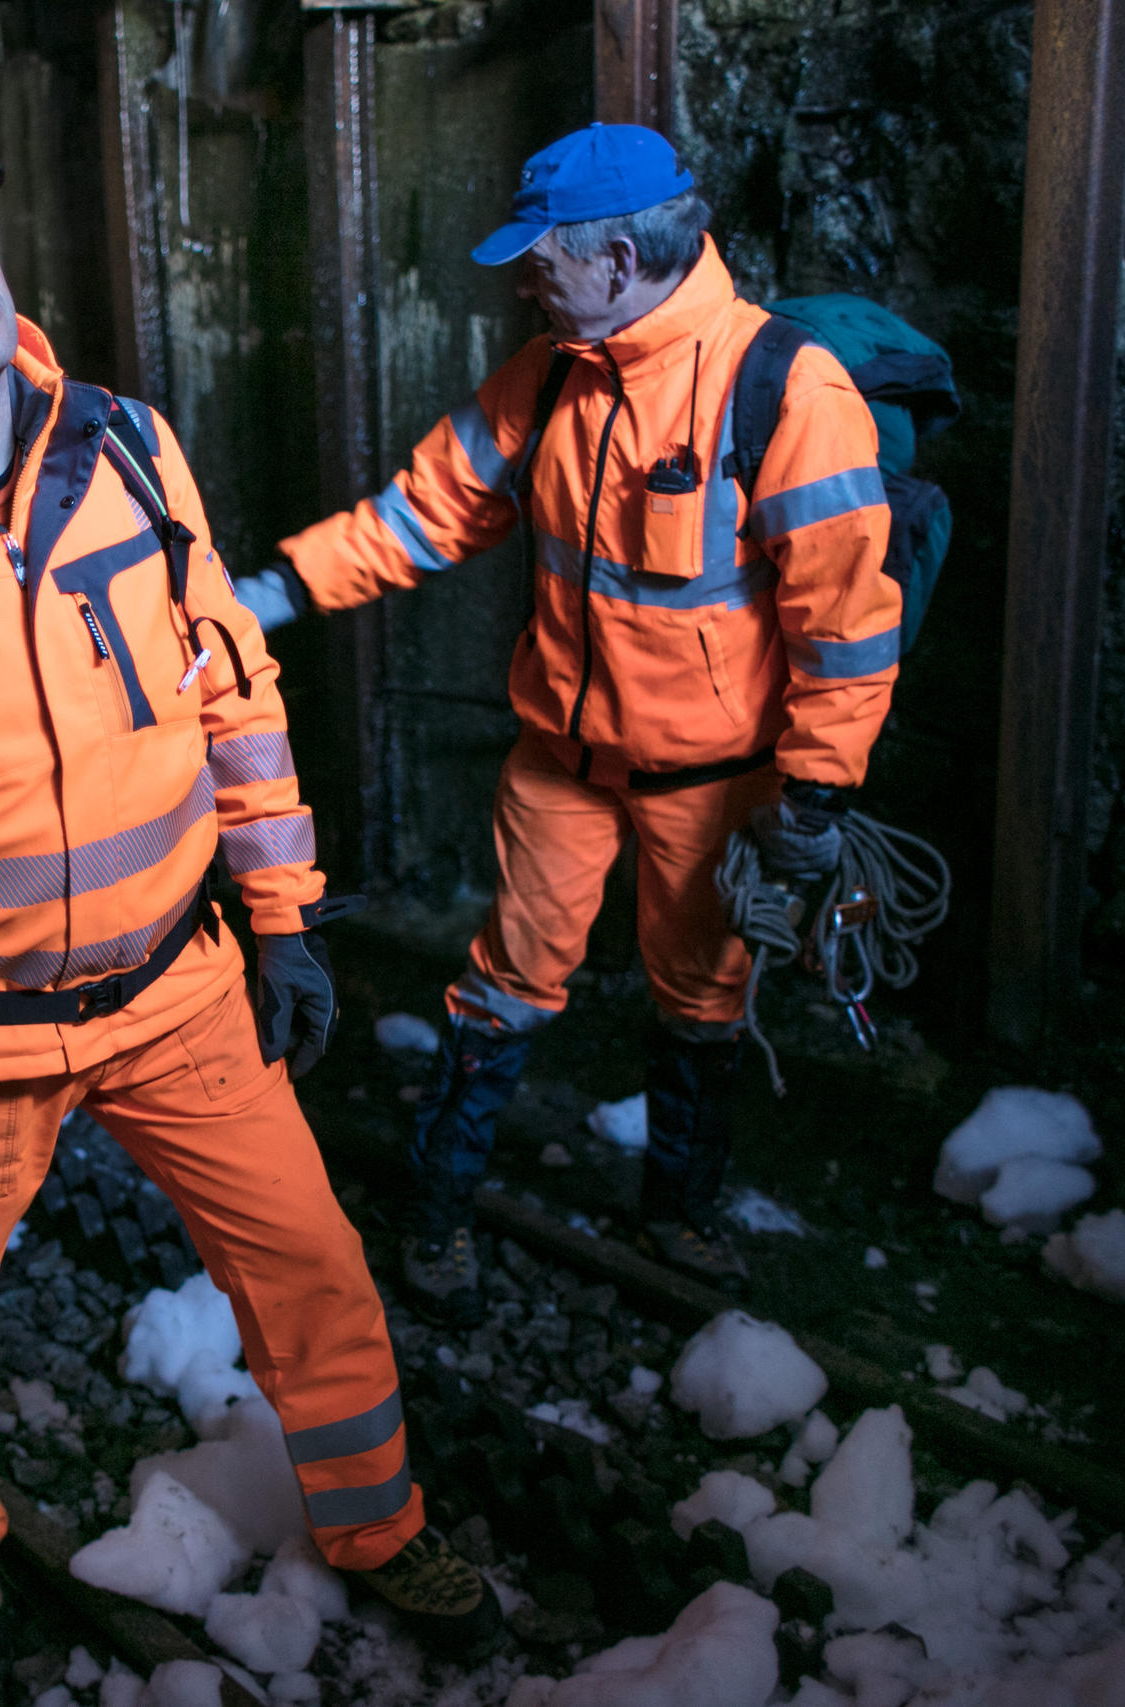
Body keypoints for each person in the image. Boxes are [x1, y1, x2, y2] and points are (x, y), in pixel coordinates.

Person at [0, 138, 503, 1674]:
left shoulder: (120, 444)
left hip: (178, 992)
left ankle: (379, 1521)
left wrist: (284, 914)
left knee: (313, 1268)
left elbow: (229, 693)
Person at [234, 123, 899, 1309]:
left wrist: (812, 796)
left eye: (542, 259)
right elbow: (422, 513)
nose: (526, 280)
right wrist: (275, 594)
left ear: (623, 258)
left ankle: (679, 1220)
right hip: (559, 769)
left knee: (701, 1005)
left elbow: (843, 622)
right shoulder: (549, 374)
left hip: (714, 787)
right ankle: (434, 1215)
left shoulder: (783, 389)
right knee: (500, 987)